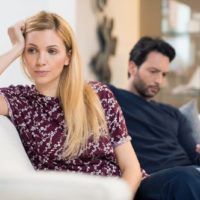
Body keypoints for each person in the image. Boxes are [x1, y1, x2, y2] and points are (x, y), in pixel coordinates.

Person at [0, 10, 142, 196]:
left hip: (124, 191)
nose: (41, 61)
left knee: (184, 179)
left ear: (67, 57)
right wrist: (16, 48)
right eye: (31, 50)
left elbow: (131, 168)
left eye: (52, 51)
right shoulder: (19, 101)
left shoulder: (98, 95)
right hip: (74, 194)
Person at [108, 36, 200, 200]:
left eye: (164, 74)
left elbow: (194, 157)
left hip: (189, 175)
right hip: (151, 180)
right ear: (132, 67)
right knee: (184, 178)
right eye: (153, 71)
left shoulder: (173, 113)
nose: (159, 80)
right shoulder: (110, 98)